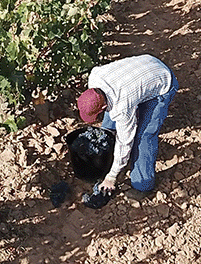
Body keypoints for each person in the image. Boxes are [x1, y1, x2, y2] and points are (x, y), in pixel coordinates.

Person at [75, 54, 178, 198]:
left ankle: (143, 185)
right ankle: (108, 156)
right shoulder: (95, 76)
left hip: (163, 81)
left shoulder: (122, 107)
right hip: (144, 66)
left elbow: (125, 141)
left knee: (143, 137)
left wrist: (112, 177)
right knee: (108, 124)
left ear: (104, 104)